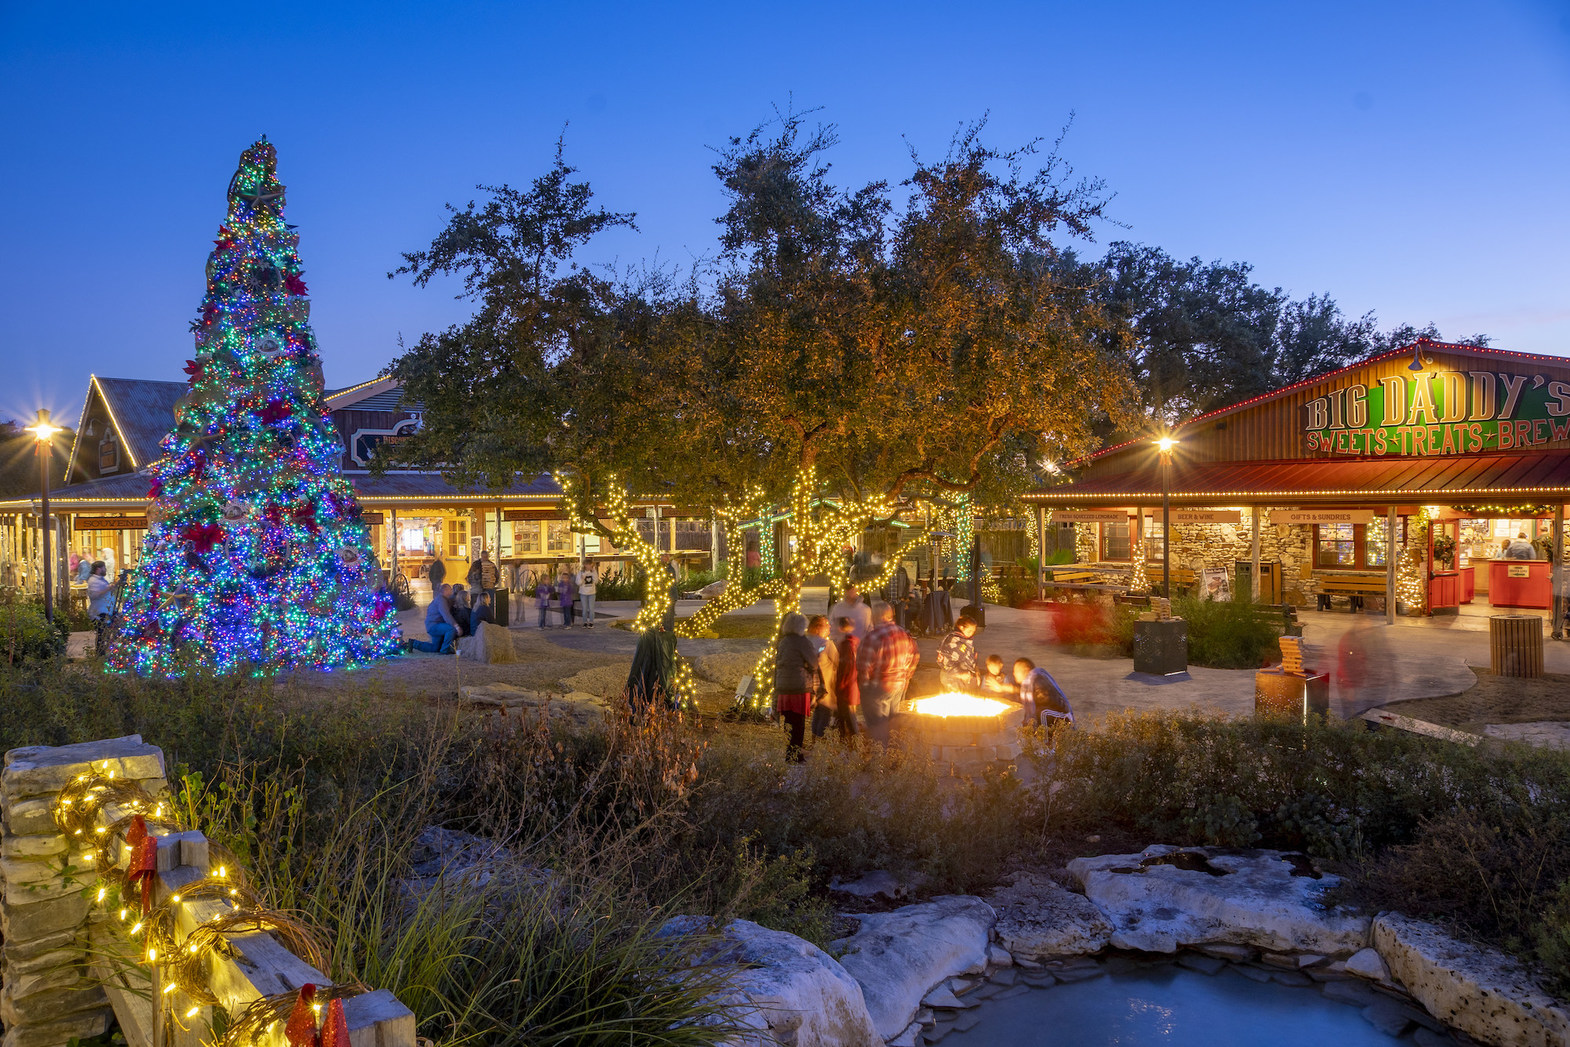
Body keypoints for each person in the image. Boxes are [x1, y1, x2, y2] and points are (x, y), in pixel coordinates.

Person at [858, 601, 919, 747]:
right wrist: (907, 676)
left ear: (877, 616)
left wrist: (864, 686)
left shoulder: (872, 637)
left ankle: (880, 760)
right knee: (893, 723)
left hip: (878, 685)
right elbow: (915, 655)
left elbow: (864, 665)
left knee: (877, 724)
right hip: (899, 684)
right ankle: (895, 756)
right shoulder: (903, 633)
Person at [774, 612, 817, 762]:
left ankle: (789, 751)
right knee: (799, 722)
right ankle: (796, 754)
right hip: (799, 686)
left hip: (783, 686)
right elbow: (813, 662)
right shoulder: (802, 642)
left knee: (789, 721)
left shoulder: (783, 642)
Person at [1012, 658, 1075, 733]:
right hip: (1052, 717)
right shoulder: (1030, 683)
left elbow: (1045, 699)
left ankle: (1045, 742)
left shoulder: (1037, 680)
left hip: (1060, 717)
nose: (1014, 673)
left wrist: (1010, 688)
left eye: (1016, 671)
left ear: (1026, 669)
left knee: (1041, 713)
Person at [807, 614, 837, 740]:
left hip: (810, 687)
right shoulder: (827, 644)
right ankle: (819, 743)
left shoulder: (806, 642)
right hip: (825, 687)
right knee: (824, 715)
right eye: (826, 624)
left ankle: (814, 740)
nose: (829, 627)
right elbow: (838, 662)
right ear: (818, 628)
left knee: (818, 714)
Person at [833, 616, 862, 740]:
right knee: (848, 717)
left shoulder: (846, 645)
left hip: (846, 688)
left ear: (840, 628)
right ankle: (849, 744)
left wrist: (839, 686)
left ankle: (854, 745)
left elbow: (847, 667)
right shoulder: (854, 643)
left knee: (849, 719)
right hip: (852, 686)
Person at [410, 583, 461, 654]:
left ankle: (413, 643)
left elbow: (451, 600)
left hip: (432, 625)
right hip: (434, 625)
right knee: (451, 629)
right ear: (445, 590)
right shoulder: (441, 600)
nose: (451, 592)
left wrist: (456, 594)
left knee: (435, 648)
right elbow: (446, 615)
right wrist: (456, 626)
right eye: (450, 590)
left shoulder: (443, 599)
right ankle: (445, 650)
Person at [937, 615, 980, 692]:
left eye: (973, 632)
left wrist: (977, 671)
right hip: (951, 679)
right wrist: (960, 674)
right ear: (961, 627)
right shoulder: (952, 641)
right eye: (969, 631)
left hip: (966, 678)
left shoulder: (967, 641)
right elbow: (947, 662)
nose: (971, 634)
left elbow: (972, 657)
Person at [577, 561, 598, 628]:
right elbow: (578, 583)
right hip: (583, 593)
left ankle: (591, 622)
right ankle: (585, 622)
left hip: (592, 593)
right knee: (584, 608)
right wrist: (582, 578)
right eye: (587, 564)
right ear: (585, 565)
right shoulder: (581, 572)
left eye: (590, 565)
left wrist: (594, 572)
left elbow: (596, 581)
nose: (588, 566)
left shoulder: (593, 572)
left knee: (591, 608)